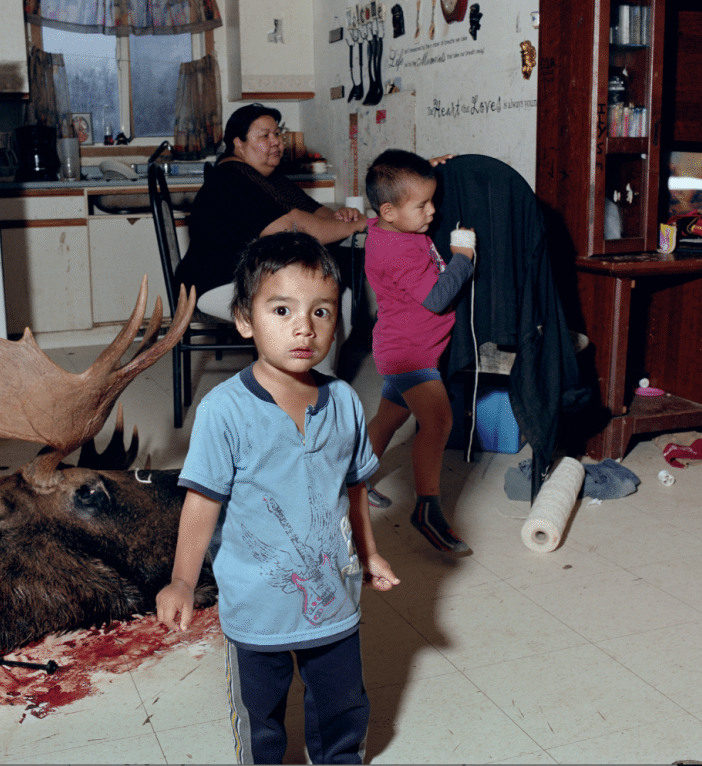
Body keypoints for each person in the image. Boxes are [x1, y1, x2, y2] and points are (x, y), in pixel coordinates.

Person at [157, 231, 399, 765]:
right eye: (282, 308)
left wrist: (369, 551)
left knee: (342, 706)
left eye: (322, 312)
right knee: (261, 718)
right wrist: (181, 578)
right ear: (245, 318)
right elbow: (202, 502)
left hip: (334, 597)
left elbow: (353, 488)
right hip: (256, 604)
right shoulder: (225, 411)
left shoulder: (345, 403)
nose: (303, 328)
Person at [174, 103, 367, 373]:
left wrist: (343, 217)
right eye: (264, 136)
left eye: (277, 134)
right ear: (238, 144)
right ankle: (312, 386)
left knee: (337, 295)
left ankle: (317, 378)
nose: (276, 142)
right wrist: (355, 225)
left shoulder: (266, 176)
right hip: (213, 284)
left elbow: (313, 210)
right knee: (313, 303)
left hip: (249, 276)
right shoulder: (233, 178)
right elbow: (296, 226)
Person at [362, 149, 476, 554]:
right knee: (439, 423)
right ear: (389, 210)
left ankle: (351, 484)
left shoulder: (389, 226)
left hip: (403, 346)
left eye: (432, 201)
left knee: (389, 419)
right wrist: (463, 257)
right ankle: (426, 510)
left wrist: (423, 171)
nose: (431, 212)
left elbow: (398, 192)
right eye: (422, 205)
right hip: (410, 353)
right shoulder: (399, 251)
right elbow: (436, 298)